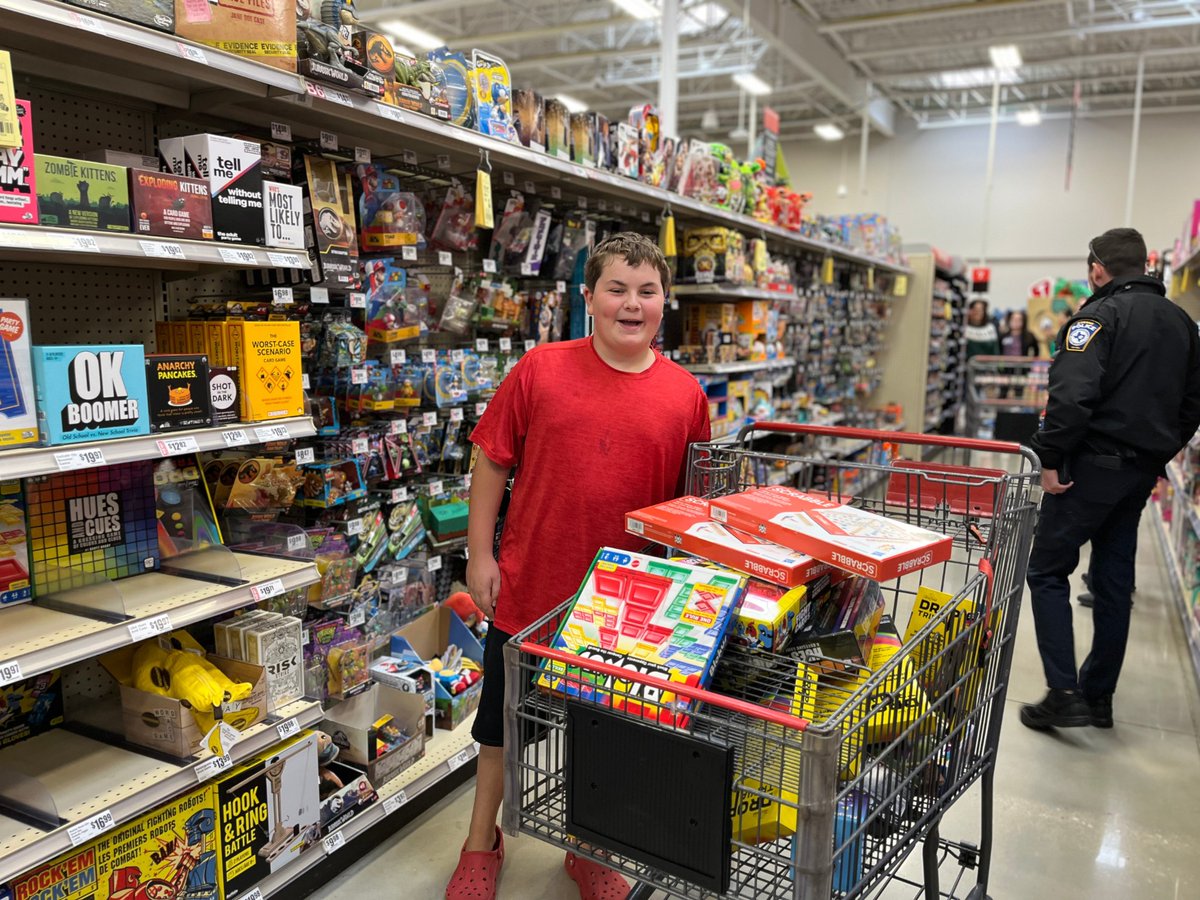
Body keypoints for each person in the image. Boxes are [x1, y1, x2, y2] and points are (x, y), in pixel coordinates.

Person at [445, 233, 711, 900]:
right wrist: (480, 552)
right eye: (616, 289)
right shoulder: (540, 369)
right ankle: (482, 840)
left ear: (664, 303)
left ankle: (591, 843)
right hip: (534, 586)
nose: (632, 304)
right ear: (587, 297)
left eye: (646, 291)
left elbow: (694, 502)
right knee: (502, 728)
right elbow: (493, 463)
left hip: (633, 605)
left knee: (612, 732)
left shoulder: (686, 395)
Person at [1022, 228, 1200, 731]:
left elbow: (1072, 398)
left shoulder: (1098, 317)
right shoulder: (1184, 324)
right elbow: (1192, 407)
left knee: (1047, 570)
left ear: (1098, 269)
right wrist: (1156, 452)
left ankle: (1063, 692)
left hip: (1090, 468)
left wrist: (1049, 458)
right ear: (1144, 265)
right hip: (1140, 473)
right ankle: (1099, 697)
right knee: (1113, 581)